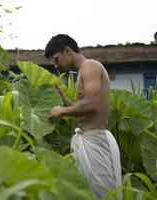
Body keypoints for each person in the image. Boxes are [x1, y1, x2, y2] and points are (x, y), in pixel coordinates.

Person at [45, 34, 121, 199]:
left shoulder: (90, 66)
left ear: (67, 51)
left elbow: (92, 104)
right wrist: (65, 99)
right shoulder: (82, 72)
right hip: (89, 140)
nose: (56, 66)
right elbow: (85, 111)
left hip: (96, 140)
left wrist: (62, 111)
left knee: (102, 194)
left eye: (56, 59)